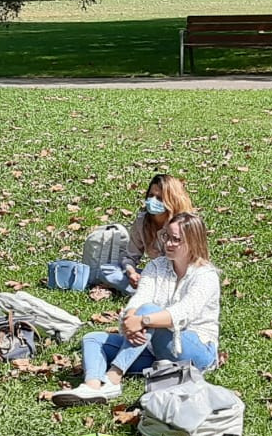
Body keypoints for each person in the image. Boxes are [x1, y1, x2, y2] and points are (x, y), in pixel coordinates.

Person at [53, 211, 219, 405]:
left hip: (194, 350)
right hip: (154, 347)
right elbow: (139, 298)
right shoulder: (156, 266)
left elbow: (182, 313)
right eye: (166, 236)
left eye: (176, 240)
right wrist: (130, 318)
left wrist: (142, 320)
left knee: (149, 311)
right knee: (93, 339)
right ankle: (93, 387)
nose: (168, 244)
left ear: (193, 243)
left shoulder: (205, 276)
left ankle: (114, 377)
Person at [115, 174, 194, 292]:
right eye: (151, 195)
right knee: (110, 271)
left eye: (159, 198)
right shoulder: (142, 222)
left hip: (179, 280)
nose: (153, 201)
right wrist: (131, 273)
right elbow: (130, 255)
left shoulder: (184, 225)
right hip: (153, 276)